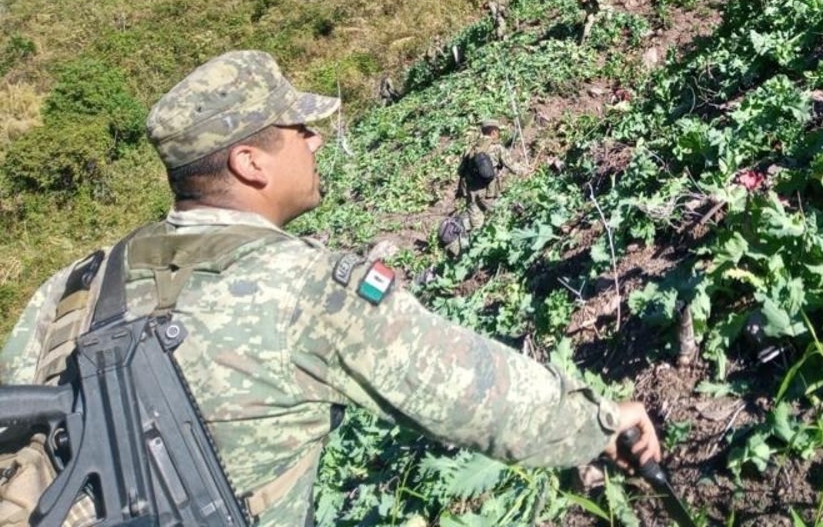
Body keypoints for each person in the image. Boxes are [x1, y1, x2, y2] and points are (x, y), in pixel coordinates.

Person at [0, 51, 658, 527]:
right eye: (297, 130)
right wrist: (599, 424)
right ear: (250, 162)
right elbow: (481, 397)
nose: (314, 139)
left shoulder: (70, 287)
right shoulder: (305, 290)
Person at [452, 117, 523, 248]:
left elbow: (460, 171)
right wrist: (526, 172)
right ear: (493, 132)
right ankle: (505, 243)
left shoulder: (470, 148)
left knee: (476, 226)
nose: (499, 134)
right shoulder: (497, 148)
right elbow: (513, 166)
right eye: (498, 131)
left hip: (471, 194)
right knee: (502, 214)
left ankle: (477, 250)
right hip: (488, 193)